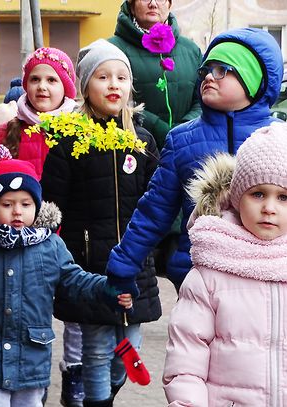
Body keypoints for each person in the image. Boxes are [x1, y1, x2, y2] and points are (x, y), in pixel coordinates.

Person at [0, 145, 132, 407]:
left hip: (32, 356)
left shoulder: (50, 246)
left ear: (36, 206)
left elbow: (74, 280)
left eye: (25, 204)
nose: (17, 211)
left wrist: (107, 288)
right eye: (7, 204)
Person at [106, 28, 283, 295]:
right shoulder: (182, 140)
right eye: (205, 70)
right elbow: (155, 210)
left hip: (268, 273)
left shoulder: (279, 138)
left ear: (255, 80)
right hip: (198, 273)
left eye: (222, 69)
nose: (209, 77)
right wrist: (123, 265)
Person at [41, 39, 160, 407]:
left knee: (129, 350)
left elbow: (157, 202)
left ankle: (104, 397)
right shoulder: (67, 142)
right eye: (103, 77)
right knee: (94, 351)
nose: (113, 85)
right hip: (90, 267)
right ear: (86, 87)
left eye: (121, 78)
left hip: (135, 268)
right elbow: (51, 207)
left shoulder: (141, 142)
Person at [163, 122, 287, 406]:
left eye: (283, 197)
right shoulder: (211, 270)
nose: (269, 207)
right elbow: (186, 356)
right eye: (258, 194)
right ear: (236, 197)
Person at [108, 0, 203, 281]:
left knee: (185, 263)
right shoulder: (113, 49)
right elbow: (120, 102)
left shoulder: (190, 50)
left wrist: (184, 131)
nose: (153, 2)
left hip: (186, 159)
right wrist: (163, 129)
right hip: (136, 158)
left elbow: (203, 97)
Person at [0, 47, 77, 178]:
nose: (42, 86)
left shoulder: (80, 132)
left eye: (51, 80)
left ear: (65, 88)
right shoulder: (4, 133)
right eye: (35, 79)